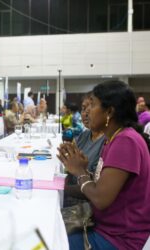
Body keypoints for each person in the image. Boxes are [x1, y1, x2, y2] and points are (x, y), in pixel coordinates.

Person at [58, 81, 150, 249]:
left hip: (118, 239)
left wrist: (80, 172)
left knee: (50, 242)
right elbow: (104, 187)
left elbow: (100, 199)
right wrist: (79, 174)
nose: (86, 113)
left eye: (92, 105)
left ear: (109, 111)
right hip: (105, 227)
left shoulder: (126, 141)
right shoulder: (114, 139)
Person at [64, 92, 105, 207]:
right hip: (72, 197)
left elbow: (97, 187)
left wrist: (62, 189)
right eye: (83, 108)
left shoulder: (108, 141)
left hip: (85, 206)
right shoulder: (83, 136)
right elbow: (71, 170)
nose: (86, 112)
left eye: (91, 107)